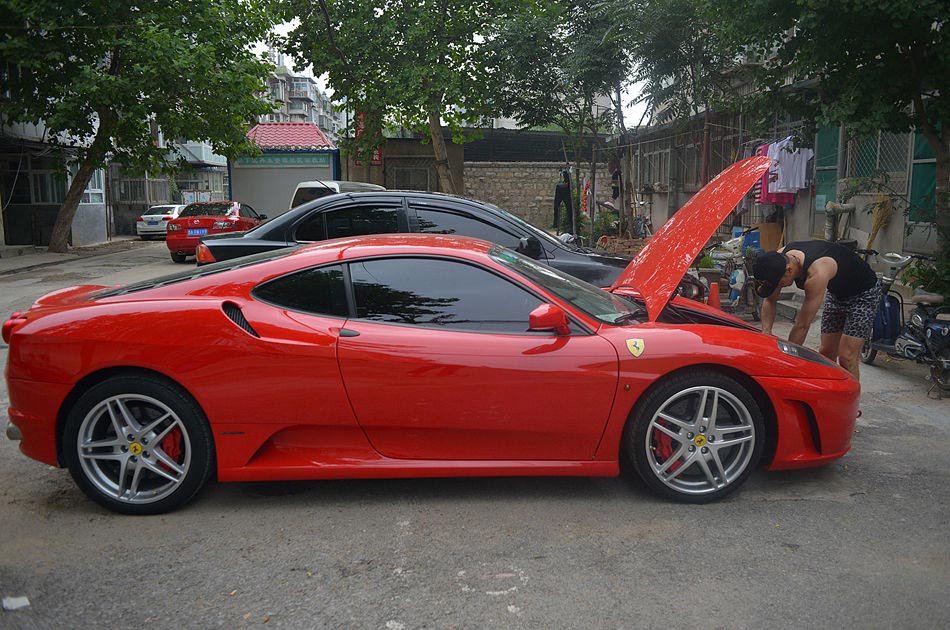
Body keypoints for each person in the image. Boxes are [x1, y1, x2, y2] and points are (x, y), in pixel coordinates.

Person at [753, 240, 881, 380]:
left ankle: (852, 393)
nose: (778, 287)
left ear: (789, 270)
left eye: (778, 284)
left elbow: (803, 325)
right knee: (826, 353)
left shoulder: (817, 272)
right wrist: (766, 332)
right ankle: (830, 390)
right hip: (837, 294)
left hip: (863, 295)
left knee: (847, 357)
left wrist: (787, 361)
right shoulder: (777, 260)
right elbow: (770, 300)